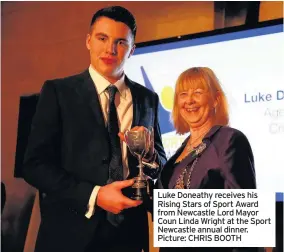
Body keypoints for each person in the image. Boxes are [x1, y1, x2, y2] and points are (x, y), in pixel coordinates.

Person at [23, 6, 166, 252]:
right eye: (102, 38)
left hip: (129, 236)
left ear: (132, 50)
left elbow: (160, 161)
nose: (110, 49)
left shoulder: (147, 98)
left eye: (120, 42)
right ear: (89, 41)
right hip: (69, 236)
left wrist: (151, 157)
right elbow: (34, 166)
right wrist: (95, 195)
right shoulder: (58, 92)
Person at [159, 67, 257, 252]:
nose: (189, 100)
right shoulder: (180, 151)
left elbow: (244, 221)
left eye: (198, 92)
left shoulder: (229, 140)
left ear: (216, 99)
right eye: (183, 94)